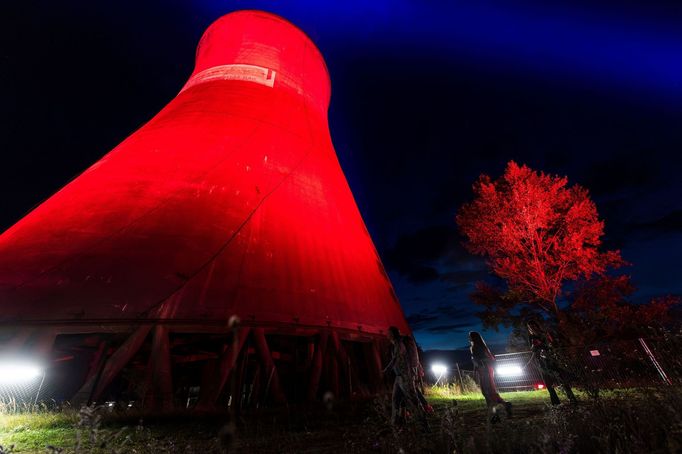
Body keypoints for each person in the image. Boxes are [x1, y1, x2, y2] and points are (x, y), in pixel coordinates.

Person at [383, 326, 429, 431]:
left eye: (388, 333)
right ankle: (395, 424)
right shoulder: (395, 344)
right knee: (395, 400)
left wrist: (387, 369)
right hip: (399, 377)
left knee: (414, 400)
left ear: (393, 334)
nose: (387, 335)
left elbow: (396, 358)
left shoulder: (399, 344)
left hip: (405, 377)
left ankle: (424, 425)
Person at [527, 320, 577, 405]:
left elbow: (552, 343)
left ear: (537, 326)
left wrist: (543, 344)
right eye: (530, 327)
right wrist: (533, 347)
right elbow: (532, 349)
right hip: (541, 362)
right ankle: (555, 402)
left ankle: (572, 398)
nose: (532, 328)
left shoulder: (545, 334)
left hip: (551, 359)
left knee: (561, 378)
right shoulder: (531, 337)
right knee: (547, 382)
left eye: (533, 326)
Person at [469, 331, 512, 423]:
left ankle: (496, 413)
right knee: (487, 392)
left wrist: (481, 364)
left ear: (475, 338)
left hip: (486, 371)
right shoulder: (475, 347)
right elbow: (476, 361)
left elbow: (487, 359)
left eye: (471, 336)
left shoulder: (479, 347)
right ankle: (504, 406)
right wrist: (476, 368)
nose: (469, 338)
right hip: (482, 371)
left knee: (489, 392)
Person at [402, 334, 434, 414]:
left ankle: (416, 409)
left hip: (410, 373)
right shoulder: (413, 349)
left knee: (413, 391)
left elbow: (409, 362)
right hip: (415, 372)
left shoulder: (408, 351)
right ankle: (425, 407)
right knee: (414, 390)